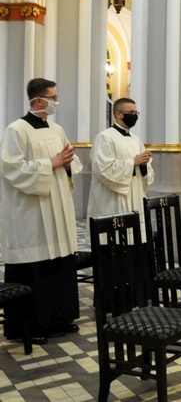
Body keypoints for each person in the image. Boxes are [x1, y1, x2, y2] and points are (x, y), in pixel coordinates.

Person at [1, 78, 83, 345]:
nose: (56, 102)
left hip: (57, 207)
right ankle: (29, 325)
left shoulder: (56, 129)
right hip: (32, 212)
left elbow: (71, 161)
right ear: (39, 100)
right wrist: (51, 163)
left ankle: (59, 318)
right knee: (35, 269)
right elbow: (11, 169)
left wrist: (67, 163)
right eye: (53, 97)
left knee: (59, 264)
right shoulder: (16, 130)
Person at [88, 98, 154, 231]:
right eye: (131, 112)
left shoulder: (136, 140)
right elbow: (103, 169)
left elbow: (145, 171)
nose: (134, 116)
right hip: (113, 200)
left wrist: (144, 165)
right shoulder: (105, 137)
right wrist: (133, 163)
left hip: (135, 196)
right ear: (118, 114)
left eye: (136, 112)